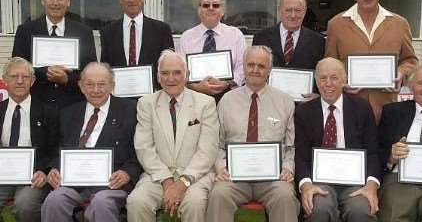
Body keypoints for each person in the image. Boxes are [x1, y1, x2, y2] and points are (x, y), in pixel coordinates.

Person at [206, 45, 300, 222]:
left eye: (261, 66)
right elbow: (216, 143)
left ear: (269, 70)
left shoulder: (285, 102)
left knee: (285, 196)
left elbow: (291, 145)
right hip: (234, 176)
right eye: (251, 65)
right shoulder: (227, 101)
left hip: (273, 177)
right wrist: (221, 167)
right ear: (244, 67)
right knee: (219, 194)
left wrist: (288, 167)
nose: (255, 70)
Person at [41, 62, 141, 222]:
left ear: (112, 85)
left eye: (102, 84)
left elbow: (141, 150)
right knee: (54, 200)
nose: (95, 90)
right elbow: (56, 148)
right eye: (89, 84)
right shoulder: (68, 113)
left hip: (112, 184)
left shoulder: (131, 110)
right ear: (80, 86)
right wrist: (54, 168)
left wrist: (128, 172)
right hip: (72, 183)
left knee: (101, 203)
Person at [127, 50, 219, 222]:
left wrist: (183, 182)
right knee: (136, 202)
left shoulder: (205, 103)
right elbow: (144, 147)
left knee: (195, 204)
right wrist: (167, 180)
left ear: (187, 75)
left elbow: (208, 150)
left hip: (195, 176)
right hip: (157, 176)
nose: (171, 79)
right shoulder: (146, 104)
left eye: (177, 73)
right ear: (157, 76)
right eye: (165, 73)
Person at [325, 0, 418, 122]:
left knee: (386, 147)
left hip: (387, 108)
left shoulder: (400, 24)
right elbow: (329, 63)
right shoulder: (336, 24)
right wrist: (341, 82)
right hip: (349, 108)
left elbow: (411, 61)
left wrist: (400, 73)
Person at [295, 57, 380, 222]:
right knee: (318, 209)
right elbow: (301, 156)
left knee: (362, 210)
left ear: (344, 80)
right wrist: (306, 185)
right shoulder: (304, 112)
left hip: (356, 182)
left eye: (334, 77)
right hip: (319, 182)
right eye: (322, 78)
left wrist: (371, 186)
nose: (328, 83)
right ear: (316, 81)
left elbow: (373, 152)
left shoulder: (361, 108)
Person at [378, 65, 422, 222]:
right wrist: (391, 157)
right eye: (421, 83)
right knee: (392, 216)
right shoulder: (392, 112)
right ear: (411, 87)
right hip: (400, 180)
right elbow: (377, 151)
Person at [12, 0, 97, 109]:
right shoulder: (25, 31)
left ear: (68, 2)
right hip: (36, 105)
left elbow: (91, 73)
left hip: (73, 106)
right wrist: (46, 73)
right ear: (42, 0)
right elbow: (18, 69)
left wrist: (67, 79)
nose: (55, 3)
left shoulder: (84, 32)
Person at [0, 57, 58, 222]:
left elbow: (56, 148)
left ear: (32, 81)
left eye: (25, 77)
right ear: (5, 80)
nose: (20, 81)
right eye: (14, 76)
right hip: (2, 175)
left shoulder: (49, 112)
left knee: (25, 204)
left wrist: (45, 171)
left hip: (35, 176)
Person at [100, 0, 174, 84]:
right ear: (120, 0)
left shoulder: (162, 29)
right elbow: (105, 68)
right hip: (119, 95)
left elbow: (169, 65)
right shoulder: (108, 32)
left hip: (152, 95)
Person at [178, 0, 246, 100]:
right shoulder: (186, 37)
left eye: (215, 5)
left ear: (222, 10)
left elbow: (242, 67)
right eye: (205, 5)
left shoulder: (235, 35)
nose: (210, 8)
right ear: (199, 10)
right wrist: (197, 87)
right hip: (195, 96)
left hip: (229, 96)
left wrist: (227, 83)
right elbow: (180, 70)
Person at [252, 0, 325, 71]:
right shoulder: (261, 38)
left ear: (304, 12)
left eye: (297, 10)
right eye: (288, 10)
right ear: (279, 11)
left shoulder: (318, 42)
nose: (293, 15)